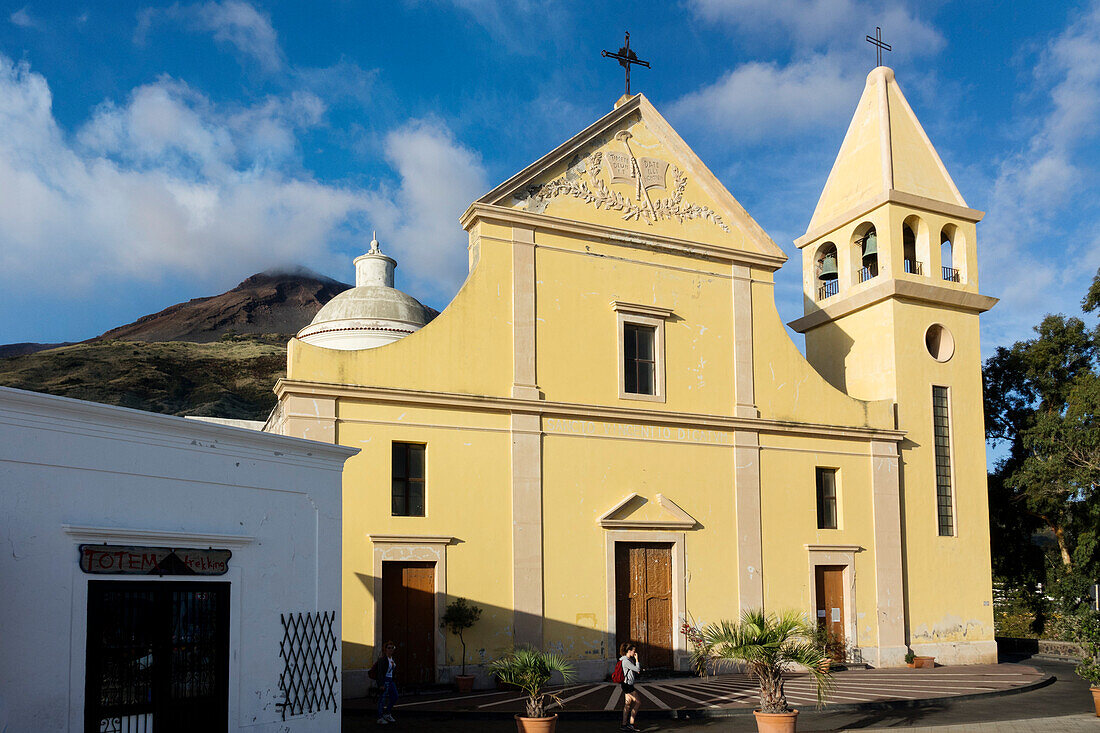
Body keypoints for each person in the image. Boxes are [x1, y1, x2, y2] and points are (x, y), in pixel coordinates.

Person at [370, 641, 399, 725]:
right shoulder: (382, 660)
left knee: (395, 696)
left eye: (392, 648)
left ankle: (387, 713)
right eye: (388, 648)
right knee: (382, 699)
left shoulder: (392, 659)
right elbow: (380, 673)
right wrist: (381, 684)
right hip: (385, 680)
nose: (390, 650)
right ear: (385, 649)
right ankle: (380, 717)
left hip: (390, 680)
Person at [618, 642, 642, 732]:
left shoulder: (627, 660)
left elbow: (637, 670)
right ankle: (631, 723)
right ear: (629, 651)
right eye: (634, 651)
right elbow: (637, 669)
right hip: (628, 686)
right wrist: (637, 659)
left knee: (627, 705)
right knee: (638, 702)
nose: (634, 653)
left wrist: (636, 665)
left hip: (626, 685)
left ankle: (624, 724)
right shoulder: (626, 661)